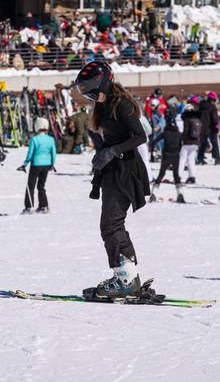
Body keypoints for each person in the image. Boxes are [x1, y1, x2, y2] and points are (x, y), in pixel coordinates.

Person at [75, 61, 149, 299]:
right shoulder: (104, 104)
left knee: (112, 224)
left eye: (91, 89)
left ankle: (126, 279)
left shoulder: (122, 104)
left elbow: (140, 136)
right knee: (110, 224)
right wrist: (103, 154)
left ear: (103, 82)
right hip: (113, 170)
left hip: (126, 170)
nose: (88, 94)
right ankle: (125, 276)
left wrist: (112, 151)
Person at [19, 117, 57, 213]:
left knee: (30, 185)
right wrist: (52, 164)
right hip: (47, 165)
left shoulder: (34, 139)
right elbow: (54, 153)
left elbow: (30, 154)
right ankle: (43, 206)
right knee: (41, 185)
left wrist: (25, 164)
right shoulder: (51, 139)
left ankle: (29, 206)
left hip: (36, 164)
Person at [150, 113, 185, 203]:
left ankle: (153, 194)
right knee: (176, 175)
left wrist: (153, 152)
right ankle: (180, 194)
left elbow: (153, 142)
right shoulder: (178, 134)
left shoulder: (164, 133)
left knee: (161, 174)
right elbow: (181, 145)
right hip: (175, 156)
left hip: (166, 156)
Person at [197, 91, 220, 166]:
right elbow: (214, 118)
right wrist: (217, 125)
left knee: (202, 144)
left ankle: (200, 158)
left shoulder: (201, 105)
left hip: (202, 127)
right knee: (215, 144)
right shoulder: (212, 107)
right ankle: (217, 159)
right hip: (211, 128)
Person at [180, 103, 201, 184]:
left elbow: (185, 131)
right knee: (191, 160)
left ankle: (178, 176)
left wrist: (182, 139)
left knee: (182, 160)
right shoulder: (197, 118)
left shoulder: (186, 119)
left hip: (187, 142)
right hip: (196, 142)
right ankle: (192, 176)